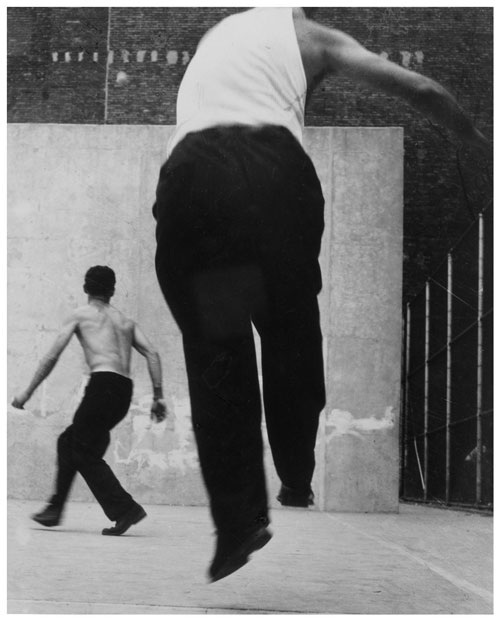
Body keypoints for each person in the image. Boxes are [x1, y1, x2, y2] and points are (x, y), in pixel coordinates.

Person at [152, 7, 490, 582]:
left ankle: (237, 521)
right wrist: (474, 137)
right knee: (289, 330)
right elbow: (425, 88)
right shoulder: (314, 36)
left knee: (219, 352)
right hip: (271, 173)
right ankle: (294, 472)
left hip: (190, 182)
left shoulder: (215, 37)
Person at [12, 265, 167, 536]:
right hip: (123, 390)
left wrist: (27, 392)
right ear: (112, 291)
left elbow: (51, 357)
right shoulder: (126, 322)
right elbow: (153, 354)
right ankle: (55, 509)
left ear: (86, 288)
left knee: (83, 452)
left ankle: (125, 509)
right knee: (69, 441)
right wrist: (158, 397)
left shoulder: (81, 315)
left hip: (102, 385)